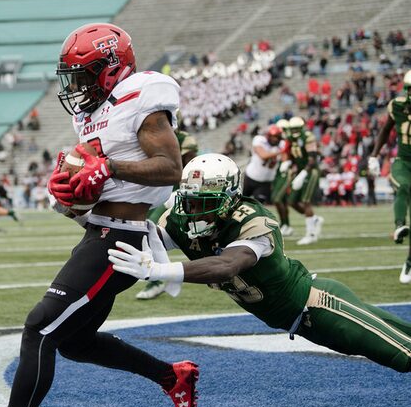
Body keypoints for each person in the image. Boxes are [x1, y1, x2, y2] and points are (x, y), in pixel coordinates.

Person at [0, 22, 197, 407]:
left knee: (40, 328)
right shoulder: (92, 111)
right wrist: (66, 193)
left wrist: (109, 168)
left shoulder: (142, 98)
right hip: (98, 230)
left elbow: (171, 167)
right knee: (74, 341)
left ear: (110, 70)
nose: (76, 85)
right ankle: (170, 375)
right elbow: (92, 184)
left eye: (83, 74)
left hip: (122, 238)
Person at [108, 154, 411, 376]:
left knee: (402, 354)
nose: (194, 211)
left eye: (205, 202)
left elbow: (227, 265)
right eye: (190, 201)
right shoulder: (180, 214)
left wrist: (160, 271)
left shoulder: (253, 220)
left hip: (320, 305)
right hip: (299, 323)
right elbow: (143, 237)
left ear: (229, 199)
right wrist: (84, 210)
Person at [136, 128, 198, 300]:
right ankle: (158, 278)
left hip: (176, 191)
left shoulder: (185, 139)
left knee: (151, 229)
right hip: (154, 190)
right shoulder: (148, 135)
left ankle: (157, 280)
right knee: (140, 228)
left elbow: (189, 167)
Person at [370, 71, 411, 282]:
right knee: (403, 187)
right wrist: (374, 156)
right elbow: (386, 130)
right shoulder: (397, 106)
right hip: (404, 163)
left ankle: (410, 263)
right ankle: (399, 226)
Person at [277, 117, 324, 245]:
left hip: (311, 171)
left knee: (306, 201)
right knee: (291, 201)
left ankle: (311, 234)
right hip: (299, 171)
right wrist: (288, 163)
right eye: (293, 129)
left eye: (298, 129)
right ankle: (314, 219)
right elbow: (293, 156)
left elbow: (313, 159)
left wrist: (303, 173)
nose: (295, 131)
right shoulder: (291, 139)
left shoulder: (308, 137)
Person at [243, 123, 284, 203]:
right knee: (239, 201)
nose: (275, 139)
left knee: (258, 205)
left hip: (265, 183)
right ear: (268, 136)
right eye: (273, 137)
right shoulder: (259, 140)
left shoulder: (282, 145)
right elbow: (263, 155)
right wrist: (280, 151)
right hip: (250, 177)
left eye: (277, 137)